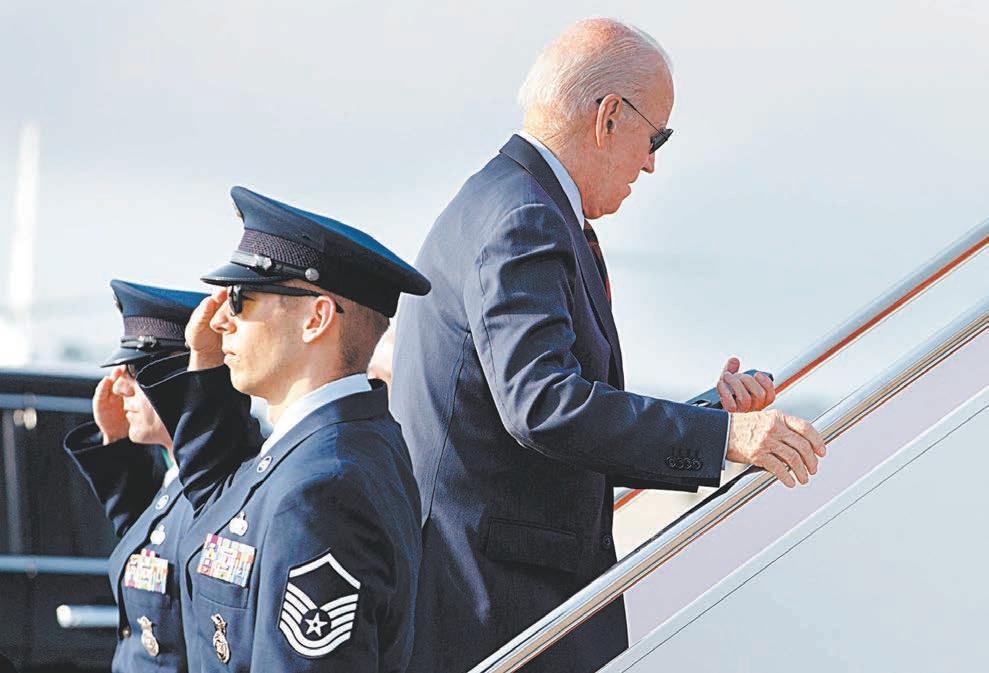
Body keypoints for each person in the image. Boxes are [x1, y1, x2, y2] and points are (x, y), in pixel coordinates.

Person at [390, 18, 827, 673]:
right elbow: (543, 406)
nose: (650, 163)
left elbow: (553, 415)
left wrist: (711, 417)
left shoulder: (506, 200)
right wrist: (726, 440)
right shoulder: (524, 218)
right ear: (609, 117)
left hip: (485, 597)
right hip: (497, 609)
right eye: (656, 138)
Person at [138, 186, 429, 672]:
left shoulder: (325, 484)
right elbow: (214, 500)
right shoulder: (316, 449)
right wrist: (206, 365)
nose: (221, 321)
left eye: (241, 299)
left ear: (316, 318)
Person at [63, 280, 211, 673]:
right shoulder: (175, 477)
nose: (119, 386)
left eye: (135, 371)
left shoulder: (219, 484)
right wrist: (115, 444)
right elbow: (148, 542)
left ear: (183, 377)